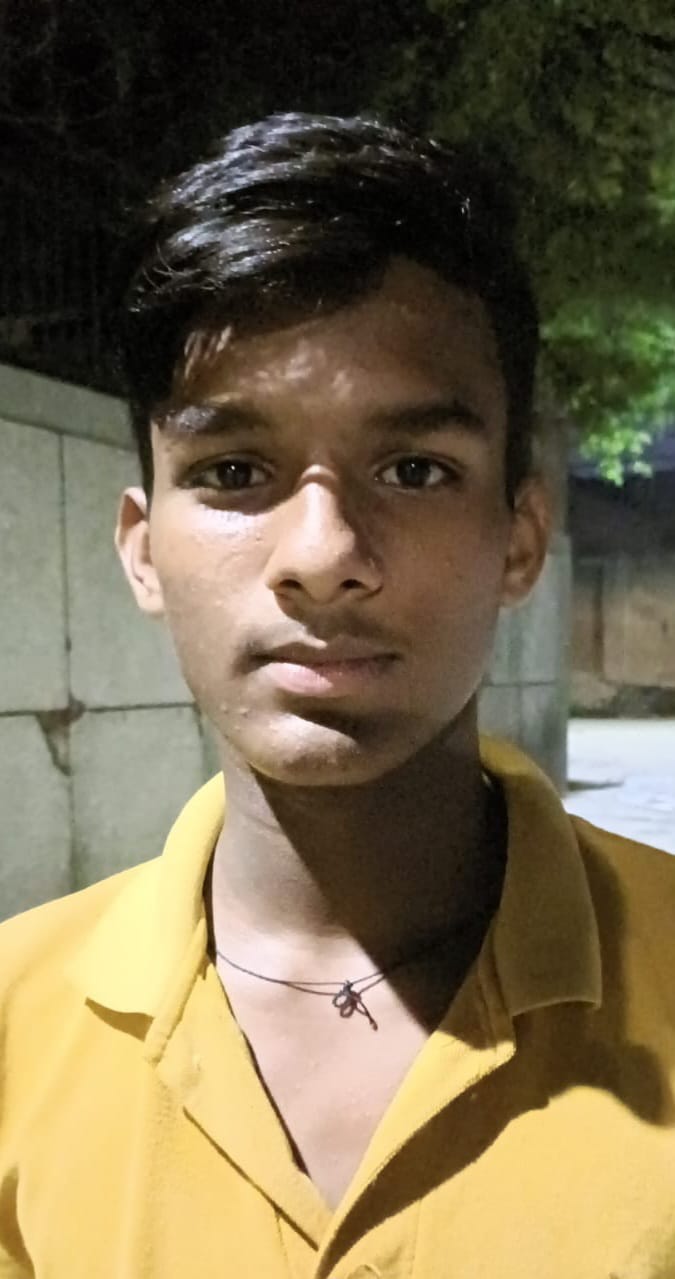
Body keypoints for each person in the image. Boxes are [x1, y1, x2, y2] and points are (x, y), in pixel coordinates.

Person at [1, 113, 674, 1279]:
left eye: (414, 469)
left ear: (520, 539)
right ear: (143, 549)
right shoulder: (14, 1025)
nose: (322, 553)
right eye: (234, 472)